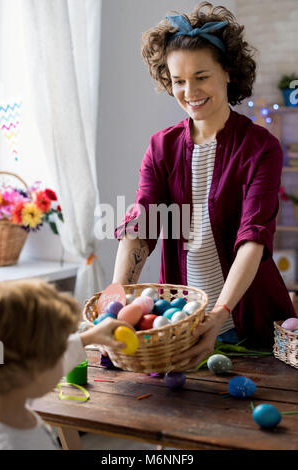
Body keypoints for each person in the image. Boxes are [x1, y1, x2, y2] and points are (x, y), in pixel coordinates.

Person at [113, 2, 296, 369]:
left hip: (249, 325)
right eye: (178, 80)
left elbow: (253, 239)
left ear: (227, 72)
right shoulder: (160, 147)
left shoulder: (261, 147)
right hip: (180, 323)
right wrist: (117, 303)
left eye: (201, 76)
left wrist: (218, 315)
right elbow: (142, 225)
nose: (189, 91)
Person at [0, 279, 130, 450]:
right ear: (36, 369)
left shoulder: (11, 392)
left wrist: (89, 337)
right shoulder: (12, 444)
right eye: (60, 350)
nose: (64, 354)